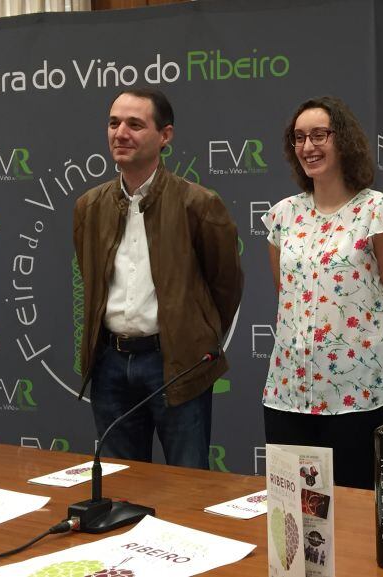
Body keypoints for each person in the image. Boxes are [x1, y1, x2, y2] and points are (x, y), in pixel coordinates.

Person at [73, 87, 242, 469]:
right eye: (114, 123)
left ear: (165, 136)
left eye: (135, 124)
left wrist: (192, 334)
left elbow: (225, 286)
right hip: (110, 365)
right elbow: (92, 280)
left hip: (176, 364)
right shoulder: (89, 206)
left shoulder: (198, 203)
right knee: (120, 486)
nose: (121, 133)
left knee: (188, 486)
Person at [262, 96, 383, 489]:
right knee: (294, 516)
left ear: (343, 140)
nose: (308, 147)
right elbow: (287, 298)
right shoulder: (283, 215)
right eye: (299, 138)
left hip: (358, 396)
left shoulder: (380, 212)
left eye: (319, 135)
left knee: (353, 518)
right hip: (287, 394)